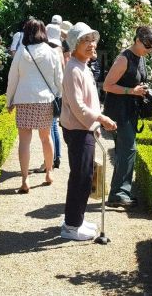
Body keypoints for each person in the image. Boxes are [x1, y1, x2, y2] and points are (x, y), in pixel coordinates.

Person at [59, 22, 117, 241]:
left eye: (93, 40)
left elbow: (87, 103)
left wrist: (94, 125)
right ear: (74, 45)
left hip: (84, 128)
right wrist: (100, 119)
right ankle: (71, 226)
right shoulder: (73, 68)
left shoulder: (81, 65)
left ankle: (77, 220)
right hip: (78, 130)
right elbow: (78, 106)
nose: (92, 44)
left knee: (83, 176)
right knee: (81, 177)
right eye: (85, 40)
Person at [102, 25, 152, 208]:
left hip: (131, 108)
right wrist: (131, 91)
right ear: (137, 40)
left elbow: (136, 81)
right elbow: (107, 86)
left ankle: (118, 193)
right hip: (119, 111)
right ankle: (119, 193)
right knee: (128, 150)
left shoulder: (140, 56)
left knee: (125, 151)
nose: (150, 51)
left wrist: (143, 91)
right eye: (148, 46)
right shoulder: (123, 59)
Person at [6, 19, 63, 193]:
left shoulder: (21, 52)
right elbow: (58, 79)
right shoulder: (52, 52)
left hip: (24, 99)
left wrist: (9, 100)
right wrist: (58, 95)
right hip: (45, 100)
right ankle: (49, 172)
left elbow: (12, 79)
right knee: (46, 138)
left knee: (24, 141)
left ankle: (25, 180)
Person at [42, 23, 65, 170]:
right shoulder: (59, 50)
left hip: (48, 93)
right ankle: (57, 157)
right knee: (54, 126)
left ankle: (48, 161)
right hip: (57, 92)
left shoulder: (46, 51)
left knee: (49, 128)